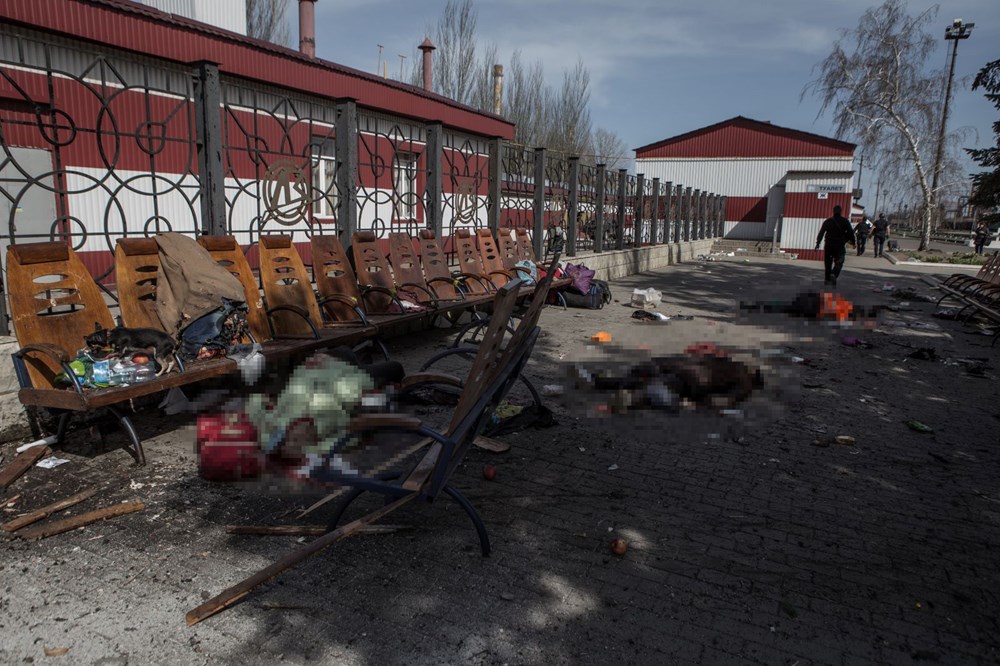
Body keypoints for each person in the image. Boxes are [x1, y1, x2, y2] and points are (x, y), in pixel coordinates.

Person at [815, 205, 856, 286]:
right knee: (839, 261)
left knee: (828, 263)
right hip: (839, 245)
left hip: (829, 245)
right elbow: (851, 233)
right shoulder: (845, 221)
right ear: (840, 211)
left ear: (833, 211)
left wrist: (818, 243)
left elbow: (821, 233)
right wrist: (853, 242)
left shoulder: (828, 221)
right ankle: (834, 274)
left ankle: (827, 279)